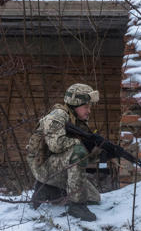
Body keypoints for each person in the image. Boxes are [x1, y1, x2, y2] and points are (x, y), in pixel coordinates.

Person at [26, 83, 102, 221]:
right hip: (42, 166)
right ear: (75, 104)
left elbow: (83, 159)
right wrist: (81, 143)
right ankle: (76, 206)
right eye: (86, 107)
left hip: (56, 166)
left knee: (94, 198)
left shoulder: (77, 122)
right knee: (76, 151)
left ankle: (48, 190)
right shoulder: (58, 116)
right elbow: (56, 145)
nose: (89, 111)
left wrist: (98, 152)